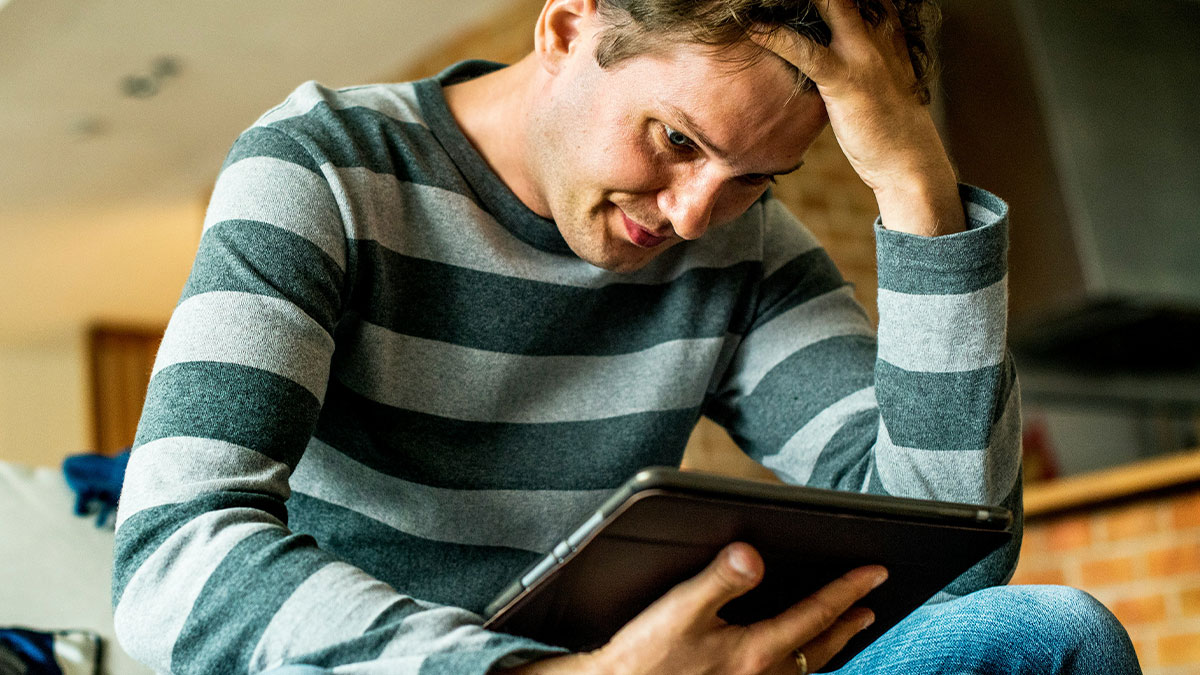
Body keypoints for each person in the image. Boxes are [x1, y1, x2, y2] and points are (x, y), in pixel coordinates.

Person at [111, 0, 1141, 673]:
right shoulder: (320, 170)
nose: (693, 215)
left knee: (1048, 641)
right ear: (565, 28)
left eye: (753, 178)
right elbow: (171, 558)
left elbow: (952, 555)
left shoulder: (740, 250)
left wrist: (914, 180)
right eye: (677, 140)